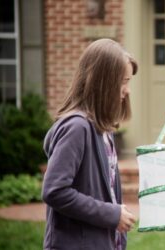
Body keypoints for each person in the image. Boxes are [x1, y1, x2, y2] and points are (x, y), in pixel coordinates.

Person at [42, 38, 138, 250]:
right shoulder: (77, 128)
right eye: (123, 81)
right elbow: (54, 191)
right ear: (103, 82)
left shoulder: (103, 128)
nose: (127, 90)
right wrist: (111, 214)